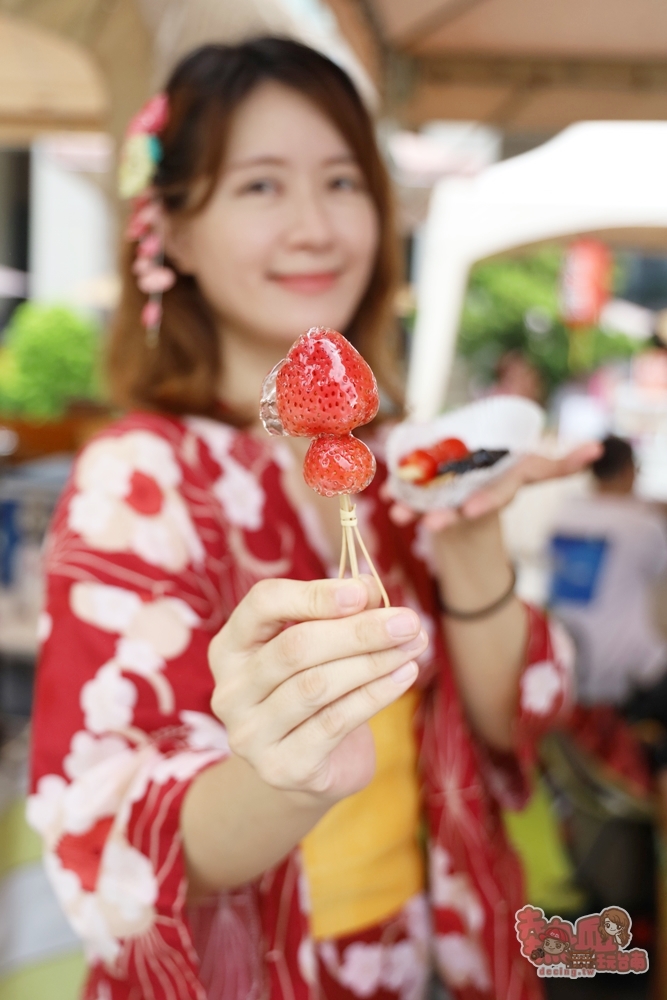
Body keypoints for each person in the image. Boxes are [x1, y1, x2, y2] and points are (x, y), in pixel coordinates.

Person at [27, 38, 597, 1000]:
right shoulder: (141, 478)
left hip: (435, 946)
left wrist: (468, 537)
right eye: (259, 187)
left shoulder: (402, 462)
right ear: (171, 233)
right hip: (272, 967)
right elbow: (106, 818)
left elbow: (505, 726)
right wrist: (285, 774)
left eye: (342, 181)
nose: (316, 226)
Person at [549, 435, 667, 714]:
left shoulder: (563, 515)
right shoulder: (644, 526)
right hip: (631, 672)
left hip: (570, 661)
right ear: (628, 470)